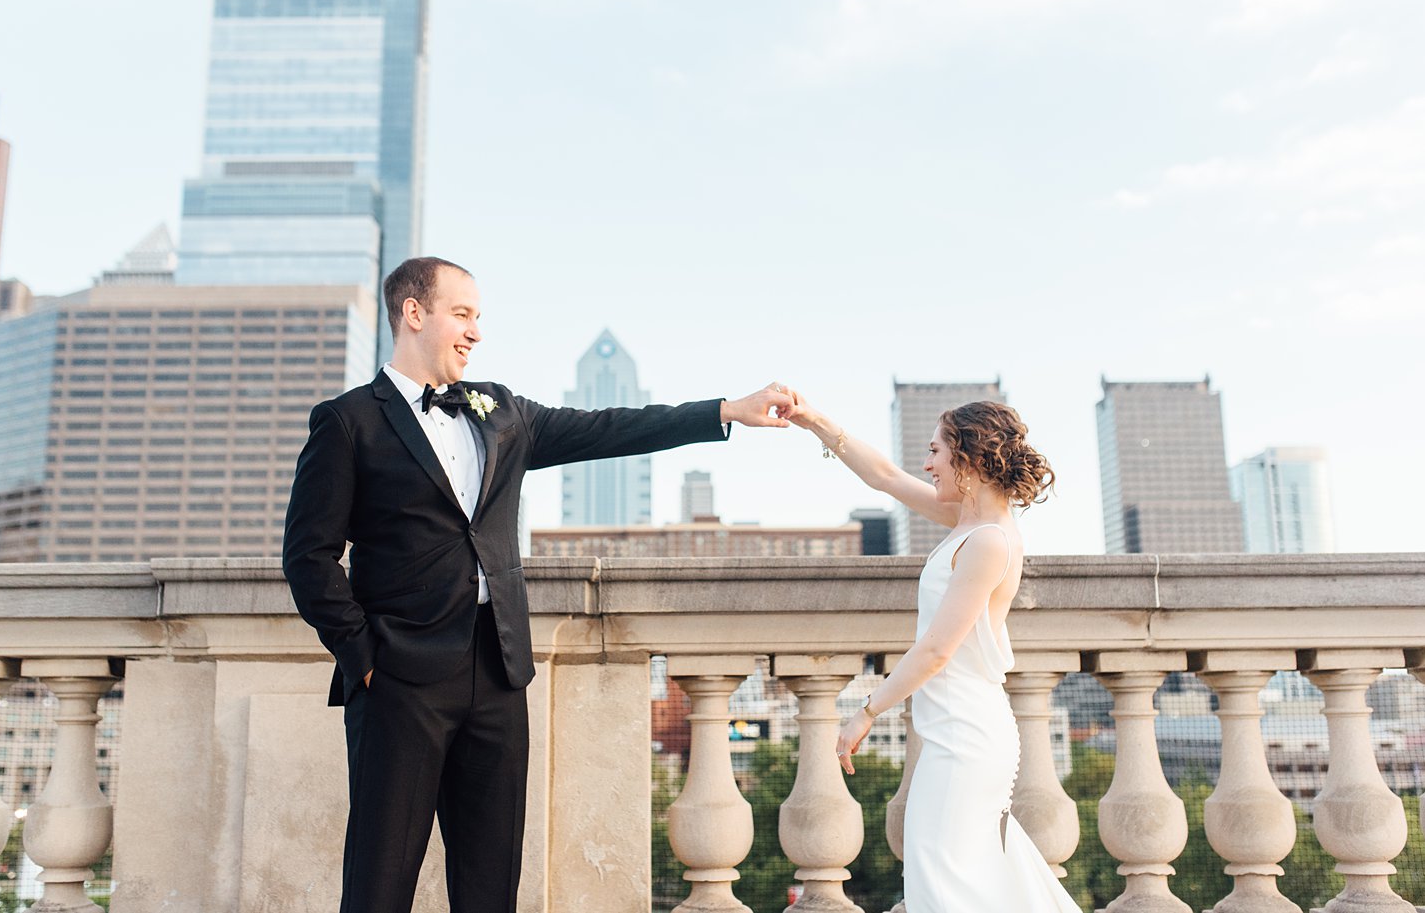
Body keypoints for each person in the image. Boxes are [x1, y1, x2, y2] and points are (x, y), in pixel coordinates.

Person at [282, 256, 792, 913]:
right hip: (401, 681)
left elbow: (608, 427)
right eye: (462, 314)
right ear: (414, 313)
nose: (475, 332)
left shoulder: (497, 408)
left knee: (492, 885)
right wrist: (366, 661)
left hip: (498, 672)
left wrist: (724, 410)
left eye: (478, 318)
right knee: (380, 883)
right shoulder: (348, 420)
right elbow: (308, 556)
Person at [782, 392, 1081, 912]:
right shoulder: (967, 524)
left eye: (936, 451)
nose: (927, 464)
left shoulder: (989, 540)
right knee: (960, 882)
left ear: (968, 456)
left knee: (944, 885)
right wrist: (814, 422)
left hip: (966, 738)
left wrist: (865, 712)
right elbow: (885, 476)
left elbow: (938, 649)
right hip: (955, 731)